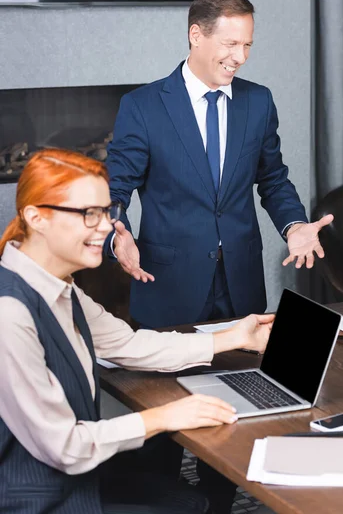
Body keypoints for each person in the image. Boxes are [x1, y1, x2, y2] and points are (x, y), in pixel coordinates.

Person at [0, 148, 275, 514]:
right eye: (88, 214)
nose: (106, 227)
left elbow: (128, 344)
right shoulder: (10, 312)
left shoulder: (57, 286)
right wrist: (163, 417)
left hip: (74, 475)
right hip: (38, 496)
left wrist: (236, 337)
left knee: (193, 502)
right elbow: (66, 447)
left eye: (107, 212)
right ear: (36, 218)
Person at [105, 0, 333, 330]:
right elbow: (115, 186)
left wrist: (295, 225)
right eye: (231, 44)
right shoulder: (142, 107)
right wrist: (114, 234)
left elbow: (273, 179)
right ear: (196, 35)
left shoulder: (258, 101)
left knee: (247, 383)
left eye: (247, 45)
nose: (240, 57)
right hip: (169, 287)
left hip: (241, 284)